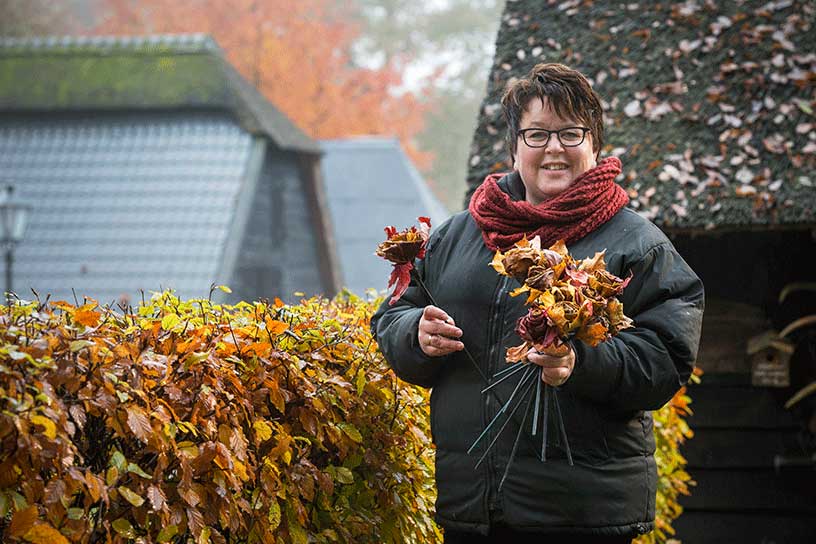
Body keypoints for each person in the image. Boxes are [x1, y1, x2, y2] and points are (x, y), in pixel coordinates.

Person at [371, 63, 704, 543]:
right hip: (472, 509)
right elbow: (392, 316)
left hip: (582, 516)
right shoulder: (458, 236)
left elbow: (666, 358)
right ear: (515, 147)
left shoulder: (637, 246)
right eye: (537, 134)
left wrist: (580, 362)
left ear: (594, 146)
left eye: (571, 133)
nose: (553, 148)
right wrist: (414, 333)